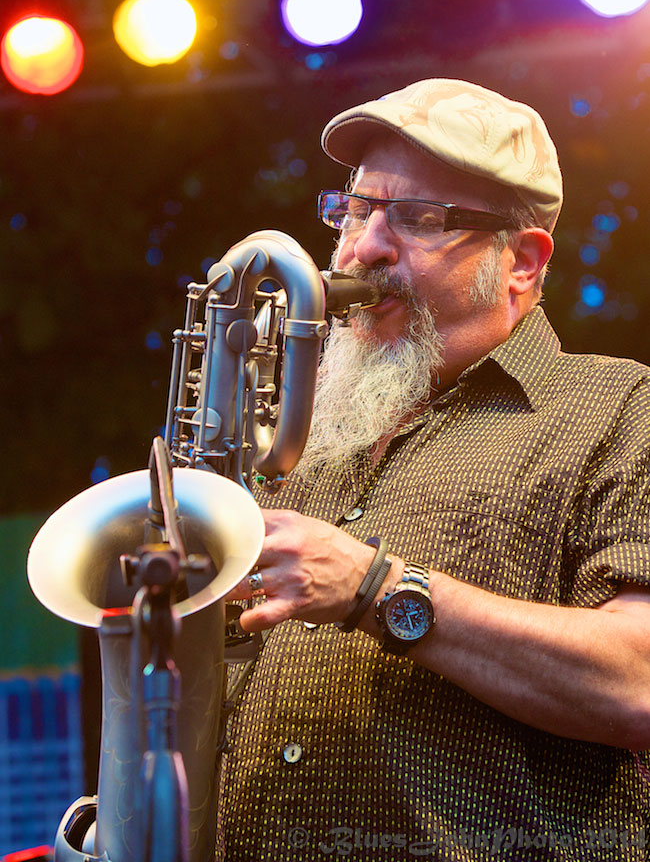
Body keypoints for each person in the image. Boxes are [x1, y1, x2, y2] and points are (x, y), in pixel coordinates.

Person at [218, 79, 650, 861]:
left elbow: (641, 683)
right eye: (355, 210)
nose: (364, 248)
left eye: (419, 219)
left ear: (521, 261)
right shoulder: (293, 426)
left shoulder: (621, 407)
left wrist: (376, 590)